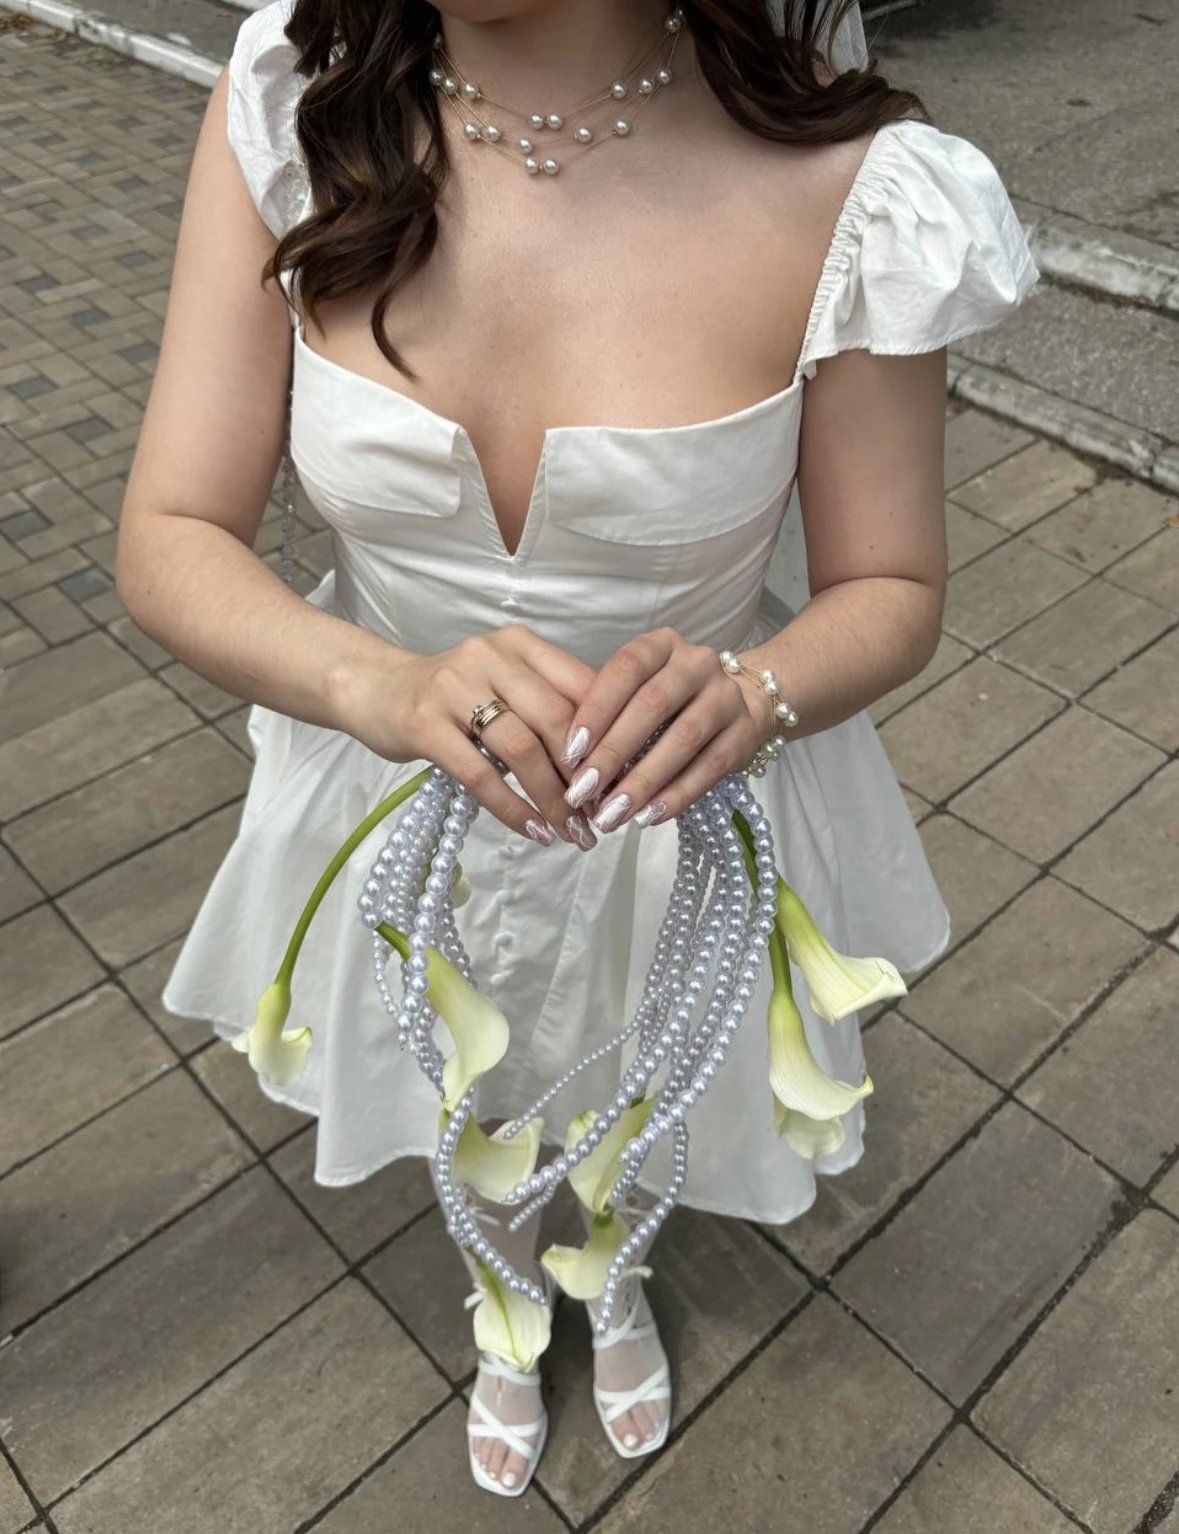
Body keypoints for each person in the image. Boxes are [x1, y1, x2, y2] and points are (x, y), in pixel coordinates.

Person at [115, 0, 1036, 1498]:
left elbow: (891, 582)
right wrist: (378, 686)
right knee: (460, 1084)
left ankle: (615, 1272)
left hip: (679, 813)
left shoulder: (858, 187)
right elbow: (169, 529)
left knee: (652, 1070)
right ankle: (503, 1296)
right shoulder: (292, 103)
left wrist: (754, 692)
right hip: (383, 780)